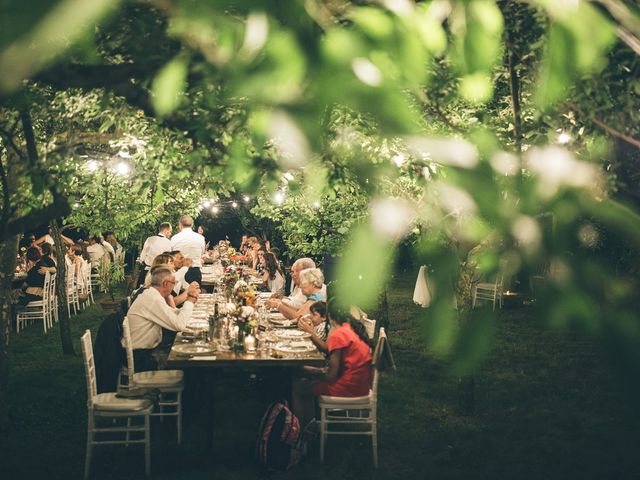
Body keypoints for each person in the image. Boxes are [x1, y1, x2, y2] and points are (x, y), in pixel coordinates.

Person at [293, 300, 373, 425]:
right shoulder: (347, 328)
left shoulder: (338, 335)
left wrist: (315, 373)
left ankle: (306, 430)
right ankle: (311, 423)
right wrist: (315, 370)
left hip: (349, 389)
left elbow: (330, 377)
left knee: (298, 386)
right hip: (361, 385)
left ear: (329, 315)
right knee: (304, 376)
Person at [124, 265, 200, 371]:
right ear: (165, 284)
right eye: (174, 283)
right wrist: (190, 301)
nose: (174, 286)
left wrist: (189, 308)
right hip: (142, 358)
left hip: (147, 352)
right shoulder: (153, 299)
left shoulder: (152, 294)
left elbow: (172, 313)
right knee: (189, 363)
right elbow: (179, 325)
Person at [170, 215, 205, 285]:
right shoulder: (200, 238)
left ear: (180, 225)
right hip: (195, 271)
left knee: (178, 295)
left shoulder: (174, 238)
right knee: (195, 294)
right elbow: (202, 253)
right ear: (192, 225)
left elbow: (171, 254)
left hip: (179, 271)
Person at [137, 222, 172, 287]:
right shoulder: (168, 243)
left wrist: (142, 261)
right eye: (170, 231)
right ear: (166, 230)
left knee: (140, 292)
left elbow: (142, 257)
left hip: (146, 271)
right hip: (160, 273)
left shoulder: (150, 239)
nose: (170, 233)